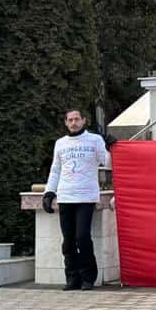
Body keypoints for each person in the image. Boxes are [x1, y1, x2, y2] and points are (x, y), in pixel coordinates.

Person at [42, 110, 115, 291]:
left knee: (82, 237)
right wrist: (49, 192)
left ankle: (88, 277)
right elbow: (55, 169)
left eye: (77, 119)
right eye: (70, 120)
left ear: (83, 120)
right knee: (68, 240)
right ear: (66, 122)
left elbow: (107, 163)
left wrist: (110, 147)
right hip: (65, 195)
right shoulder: (60, 143)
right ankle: (72, 278)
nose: (74, 122)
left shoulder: (94, 140)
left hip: (86, 195)